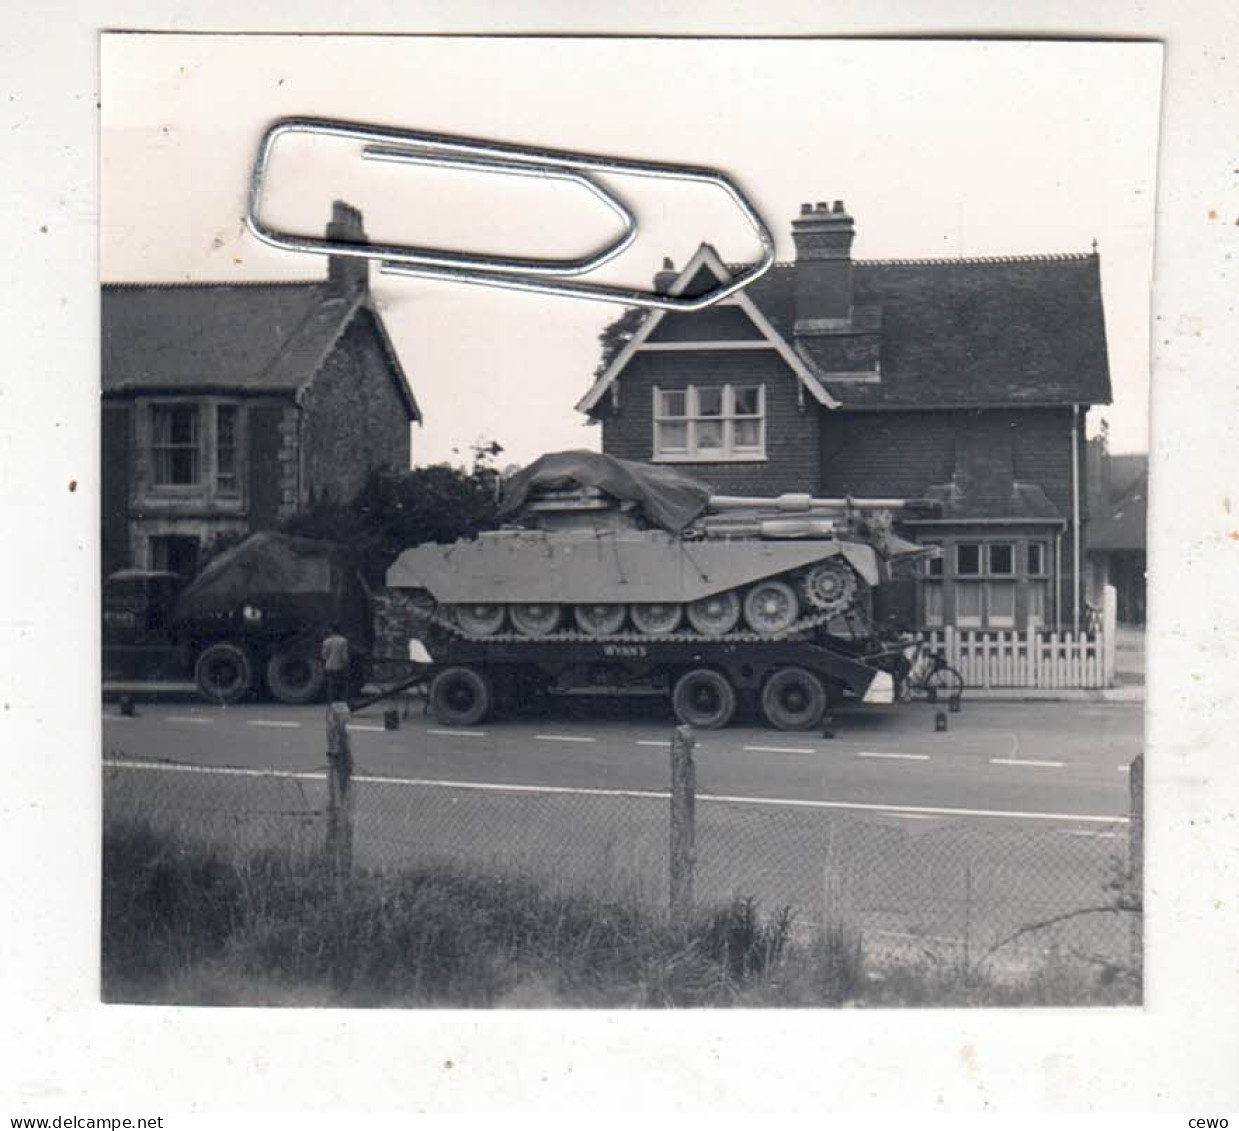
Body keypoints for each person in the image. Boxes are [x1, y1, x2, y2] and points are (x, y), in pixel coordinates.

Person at [322, 624, 350, 704]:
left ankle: (331, 701)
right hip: (339, 666)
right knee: (341, 685)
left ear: (331, 630)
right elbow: (344, 656)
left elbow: (324, 655)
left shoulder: (326, 641)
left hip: (329, 666)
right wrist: (346, 666)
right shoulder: (343, 641)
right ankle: (340, 702)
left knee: (331, 684)